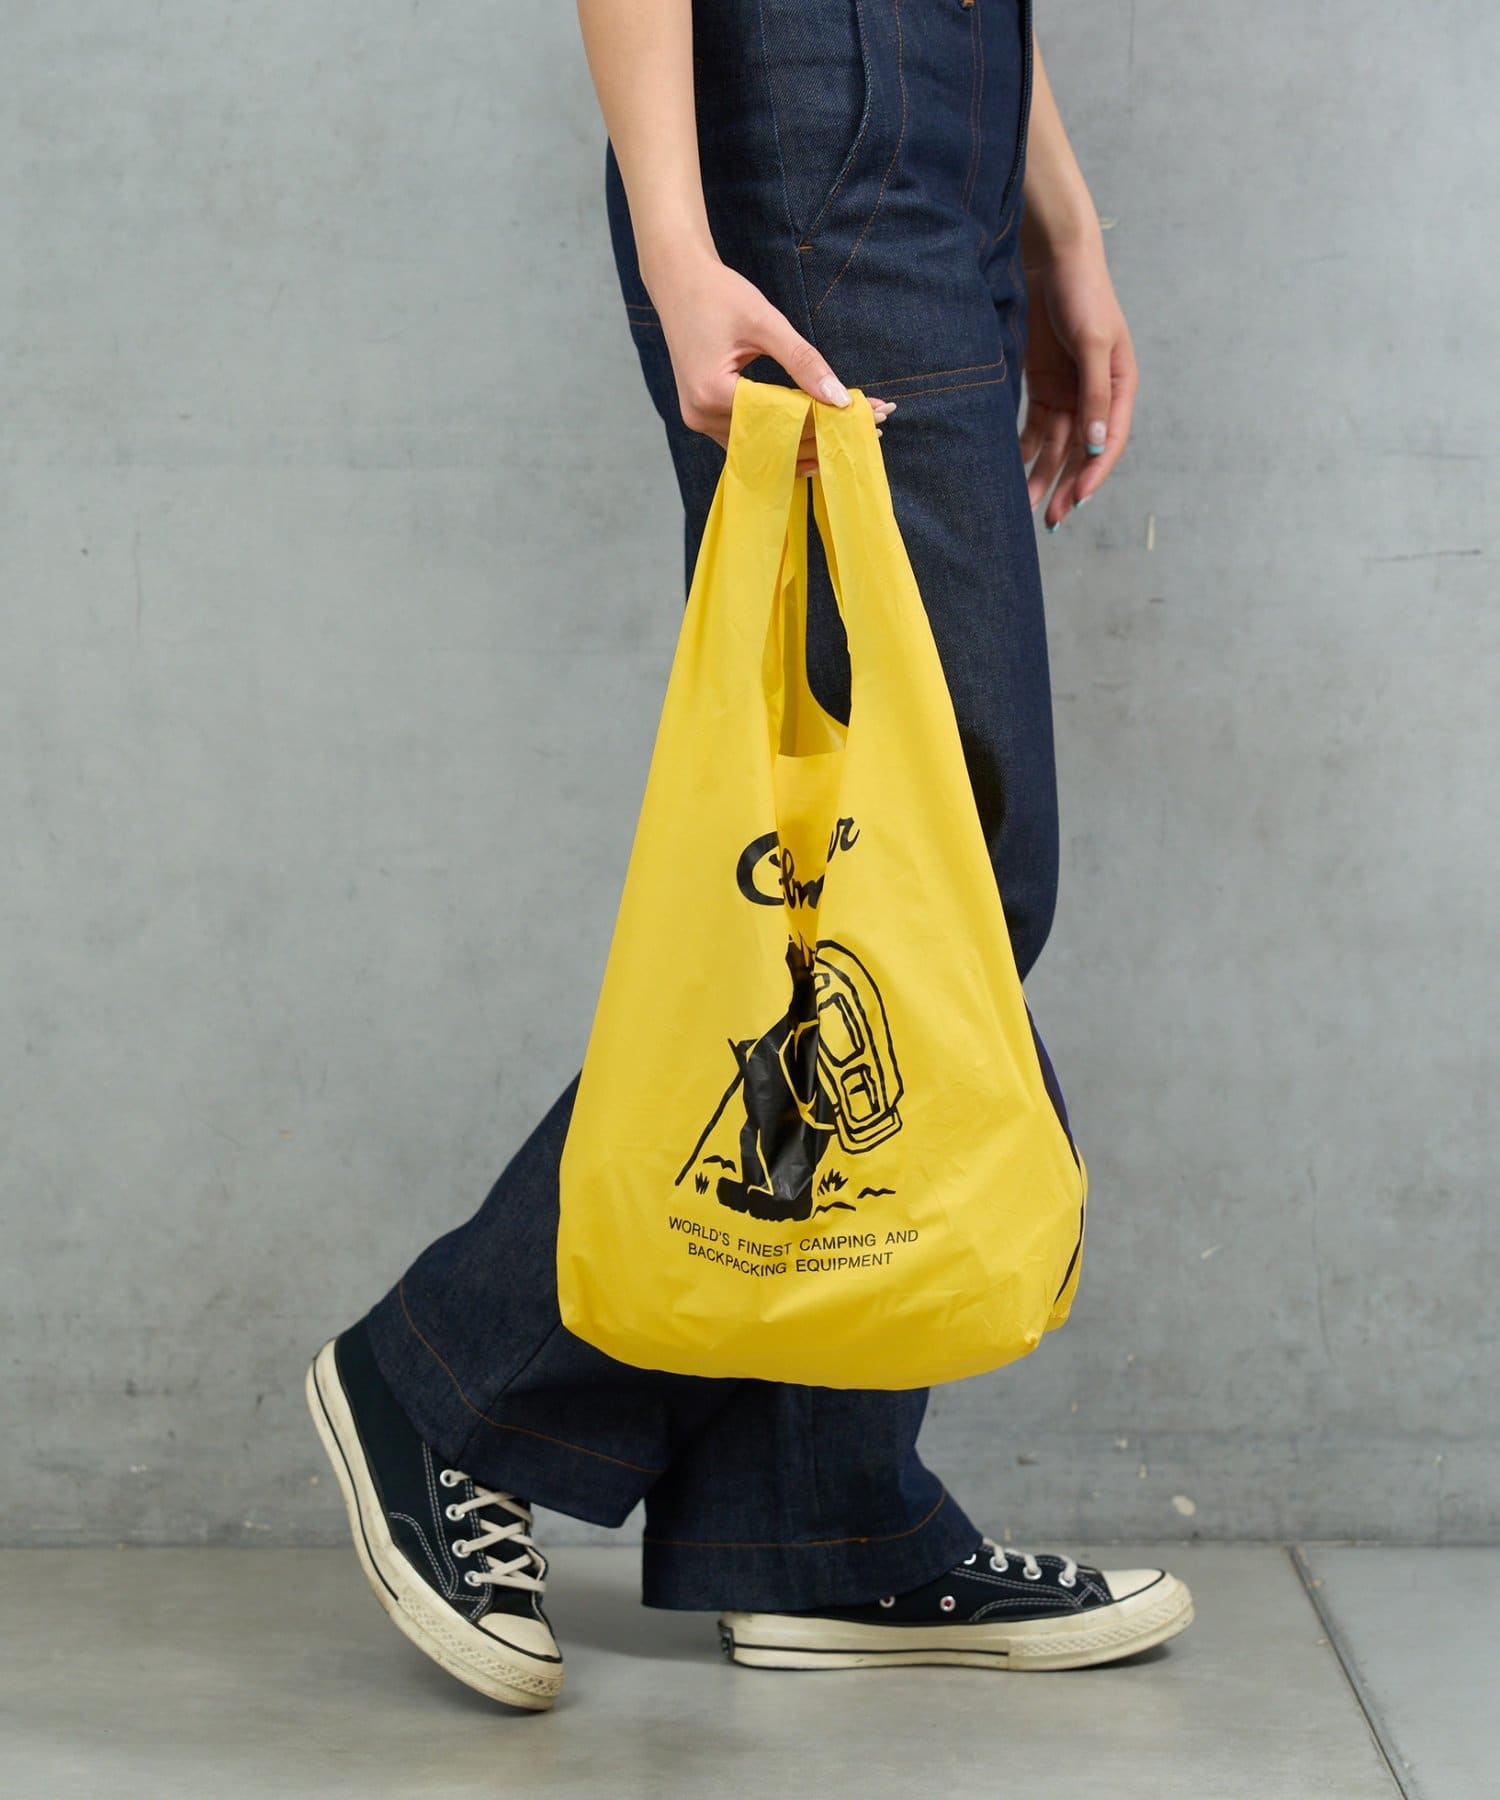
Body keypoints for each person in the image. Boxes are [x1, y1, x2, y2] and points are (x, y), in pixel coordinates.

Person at [306, 0, 1192, 1712]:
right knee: (927, 880)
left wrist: (1056, 222)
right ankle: (449, 1382)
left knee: (886, 874)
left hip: (931, 124)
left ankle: (817, 1527)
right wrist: (676, 238)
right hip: (814, 128)